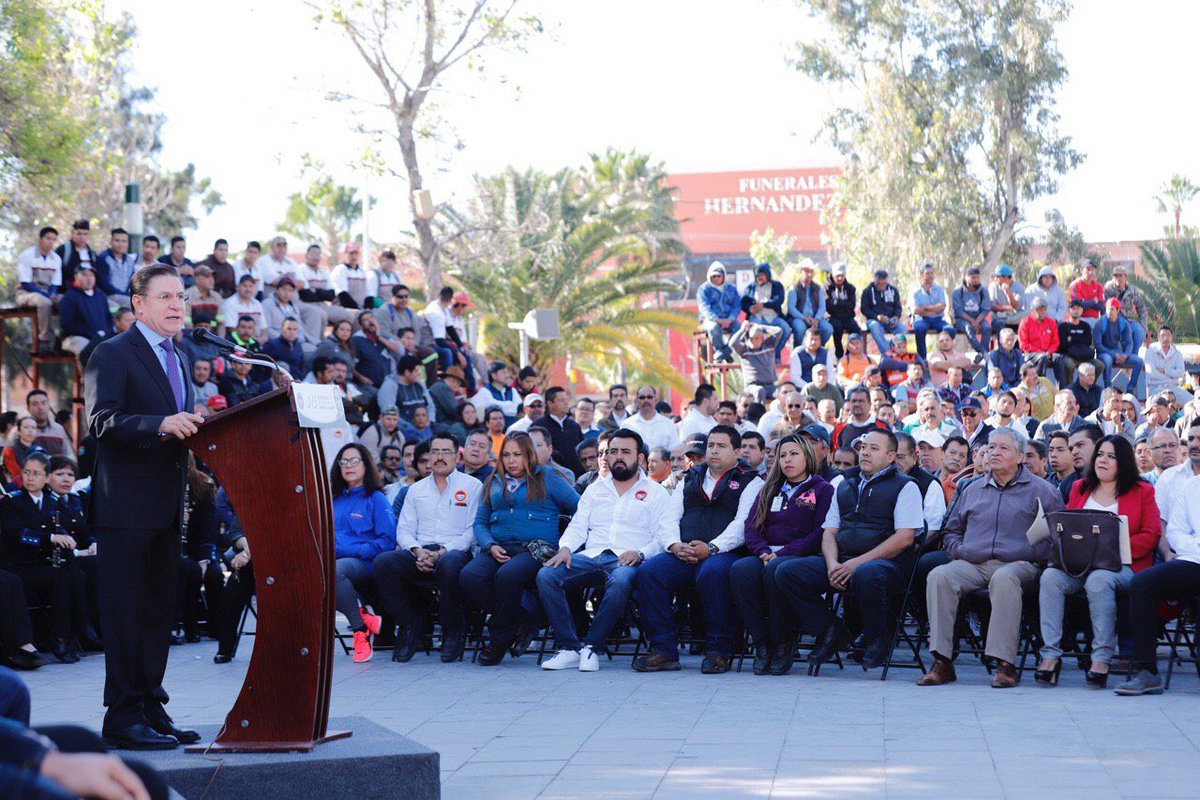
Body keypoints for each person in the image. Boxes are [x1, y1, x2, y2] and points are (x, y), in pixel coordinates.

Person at [83, 264, 203, 750]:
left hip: (168, 508)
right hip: (125, 510)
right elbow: (100, 420)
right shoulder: (111, 353)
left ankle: (152, 706)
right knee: (126, 613)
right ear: (138, 304)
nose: (178, 305)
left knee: (157, 612)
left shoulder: (184, 352)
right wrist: (159, 424)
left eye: (181, 296)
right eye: (166, 297)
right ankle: (123, 717)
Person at [919, 427, 1064, 688]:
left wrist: (1031, 554)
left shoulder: (1042, 490)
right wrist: (960, 551)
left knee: (1005, 578)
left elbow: (1056, 538)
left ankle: (1004, 664)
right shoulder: (973, 489)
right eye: (991, 447)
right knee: (939, 575)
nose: (994, 453)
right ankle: (942, 661)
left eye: (1003, 448)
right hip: (973, 561)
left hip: (1020, 565)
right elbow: (951, 531)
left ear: (1020, 456)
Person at [774, 429, 923, 669]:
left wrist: (856, 563)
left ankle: (877, 638)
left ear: (891, 456)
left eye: (874, 448)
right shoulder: (844, 483)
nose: (865, 452)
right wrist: (832, 563)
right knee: (785, 571)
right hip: (841, 561)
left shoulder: (906, 486)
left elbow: (904, 539)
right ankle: (831, 629)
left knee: (868, 573)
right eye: (863, 447)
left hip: (886, 565)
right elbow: (830, 531)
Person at [537, 429, 674, 671]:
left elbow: (663, 537)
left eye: (625, 452)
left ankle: (592, 647)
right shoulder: (595, 489)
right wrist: (565, 548)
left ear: (640, 458)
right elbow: (578, 525)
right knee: (547, 575)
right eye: (613, 452)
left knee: (621, 581)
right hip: (591, 555)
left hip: (627, 559)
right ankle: (568, 647)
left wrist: (640, 553)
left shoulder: (656, 492)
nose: (618, 456)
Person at [633, 425, 763, 674]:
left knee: (712, 573)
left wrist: (712, 548)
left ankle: (718, 651)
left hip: (725, 553)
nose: (714, 451)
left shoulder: (750, 480)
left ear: (737, 451)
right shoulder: (691, 477)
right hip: (685, 551)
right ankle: (663, 650)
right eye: (711, 445)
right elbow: (669, 518)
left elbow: (742, 525)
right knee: (650, 571)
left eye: (721, 446)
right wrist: (674, 545)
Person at [1035, 435, 1160, 687]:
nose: (1103, 460)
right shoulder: (1080, 487)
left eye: (1111, 456)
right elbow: (1069, 525)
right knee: (1050, 578)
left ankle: (1101, 656)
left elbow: (1151, 534)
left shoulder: (1142, 490)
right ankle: (1050, 654)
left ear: (1123, 462)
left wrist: (1116, 548)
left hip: (1123, 566)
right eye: (1101, 454)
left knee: (1099, 580)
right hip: (1079, 564)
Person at [461, 433, 579, 665]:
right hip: (499, 546)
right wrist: (489, 544)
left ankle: (498, 641)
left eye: (517, 455)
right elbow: (480, 523)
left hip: (535, 549)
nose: (511, 460)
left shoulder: (549, 477)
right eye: (506, 455)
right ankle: (523, 618)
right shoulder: (494, 480)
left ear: (529, 455)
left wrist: (567, 543)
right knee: (469, 576)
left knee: (507, 576)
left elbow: (581, 508)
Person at [730, 435, 834, 674]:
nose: (787, 459)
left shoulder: (823, 489)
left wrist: (784, 553)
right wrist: (763, 551)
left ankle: (781, 642)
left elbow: (820, 532)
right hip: (766, 555)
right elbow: (751, 526)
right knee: (741, 570)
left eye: (794, 454)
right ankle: (761, 643)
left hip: (801, 556)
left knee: (777, 571)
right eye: (783, 455)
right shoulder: (769, 487)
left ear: (808, 456)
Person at [1116, 466, 1200, 695]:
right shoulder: (1191, 486)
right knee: (1142, 583)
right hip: (1194, 560)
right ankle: (1147, 672)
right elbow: (1175, 531)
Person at [0, 452, 81, 664]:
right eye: (26, 472)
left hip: (40, 565)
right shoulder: (12, 502)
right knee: (56, 576)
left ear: (46, 477)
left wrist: (67, 538)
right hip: (17, 565)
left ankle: (63, 639)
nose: (30, 477)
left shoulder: (51, 501)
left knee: (64, 576)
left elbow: (59, 527)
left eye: (36, 473)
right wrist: (52, 537)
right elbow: (17, 535)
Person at [326, 443, 395, 663]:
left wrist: (354, 549)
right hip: (333, 560)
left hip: (363, 563)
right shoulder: (332, 499)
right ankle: (363, 617)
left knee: (335, 572)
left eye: (354, 461)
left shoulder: (375, 498)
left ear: (366, 465)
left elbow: (387, 541)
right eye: (344, 461)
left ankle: (359, 631)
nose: (348, 466)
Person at [16, 226, 62, 353]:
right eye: (48, 238)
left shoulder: (56, 259)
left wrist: (53, 293)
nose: (50, 242)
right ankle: (44, 340)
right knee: (44, 302)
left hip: (47, 293)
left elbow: (56, 283)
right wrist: (47, 294)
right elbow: (25, 283)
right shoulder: (27, 255)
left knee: (66, 300)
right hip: (26, 293)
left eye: (54, 239)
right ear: (40, 239)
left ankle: (63, 337)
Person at [59, 264, 113, 363]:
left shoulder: (100, 295)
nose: (89, 278)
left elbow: (109, 317)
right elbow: (67, 324)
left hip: (100, 336)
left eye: (91, 275)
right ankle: (86, 378)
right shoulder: (68, 297)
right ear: (76, 277)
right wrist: (92, 334)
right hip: (75, 337)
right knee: (90, 353)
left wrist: (105, 333)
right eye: (84, 275)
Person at [1094, 298, 1144, 395]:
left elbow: (1129, 342)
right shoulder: (1100, 323)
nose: (1110, 312)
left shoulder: (1123, 323)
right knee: (1107, 361)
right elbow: (1098, 344)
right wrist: (1114, 354)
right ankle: (1108, 389)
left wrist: (1126, 354)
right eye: (1108, 309)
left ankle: (1130, 388)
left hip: (1119, 352)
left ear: (1117, 310)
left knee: (1138, 361)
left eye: (1112, 309)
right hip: (1104, 353)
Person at [531, 386, 584, 476]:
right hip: (550, 476)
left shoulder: (574, 426)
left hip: (577, 477)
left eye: (566, 399)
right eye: (561, 400)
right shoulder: (538, 427)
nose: (566, 403)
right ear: (550, 403)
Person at [740, 263, 790, 360]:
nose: (760, 278)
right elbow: (743, 303)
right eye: (757, 276)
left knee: (785, 329)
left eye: (762, 275)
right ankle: (756, 356)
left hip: (773, 317)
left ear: (767, 274)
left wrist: (763, 305)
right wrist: (750, 308)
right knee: (751, 332)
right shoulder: (750, 288)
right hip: (756, 318)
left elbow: (779, 300)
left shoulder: (776, 285)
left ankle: (775, 353)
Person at [908, 263, 950, 359]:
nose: (930, 276)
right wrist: (934, 308)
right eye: (927, 273)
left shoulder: (939, 289)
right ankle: (922, 358)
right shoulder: (914, 290)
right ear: (922, 275)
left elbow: (942, 306)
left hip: (937, 319)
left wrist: (925, 308)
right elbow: (915, 310)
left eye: (932, 273)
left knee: (949, 329)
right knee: (919, 328)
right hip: (921, 319)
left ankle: (945, 357)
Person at [786, 259, 833, 346]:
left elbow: (822, 307)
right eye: (807, 271)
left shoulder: (817, 288)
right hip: (798, 318)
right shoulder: (794, 288)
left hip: (815, 318)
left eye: (811, 271)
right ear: (801, 272)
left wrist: (817, 318)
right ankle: (798, 351)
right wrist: (804, 318)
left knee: (828, 329)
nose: (809, 274)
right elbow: (791, 308)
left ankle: (817, 348)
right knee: (800, 328)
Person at [858, 268, 904, 355]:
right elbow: (864, 309)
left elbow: (898, 307)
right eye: (879, 284)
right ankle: (888, 353)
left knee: (902, 328)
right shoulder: (867, 291)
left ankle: (896, 350)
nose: (881, 286)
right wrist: (877, 317)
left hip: (890, 319)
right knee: (875, 327)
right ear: (875, 281)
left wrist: (896, 317)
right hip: (873, 320)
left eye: (884, 284)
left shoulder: (893, 290)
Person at [729, 323, 780, 400]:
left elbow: (779, 331)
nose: (753, 341)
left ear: (762, 339)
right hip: (752, 386)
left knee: (782, 392)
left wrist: (761, 326)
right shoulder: (744, 350)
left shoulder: (769, 345)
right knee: (760, 391)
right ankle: (758, 411)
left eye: (757, 338)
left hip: (770, 385)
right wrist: (742, 330)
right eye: (751, 338)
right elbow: (732, 343)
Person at [619, 385, 679, 452]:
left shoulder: (668, 424)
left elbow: (674, 451)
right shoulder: (627, 425)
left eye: (649, 397)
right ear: (636, 401)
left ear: (656, 400)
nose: (646, 400)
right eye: (642, 397)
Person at [1103, 264, 1148, 352]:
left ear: (1126, 277)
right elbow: (1103, 306)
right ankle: (1119, 358)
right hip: (1114, 321)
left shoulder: (1131, 290)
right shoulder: (1108, 288)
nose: (1118, 278)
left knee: (1140, 332)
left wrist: (1143, 324)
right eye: (1115, 276)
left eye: (1120, 275)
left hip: (1129, 320)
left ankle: (1133, 355)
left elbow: (1141, 307)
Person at [951, 266, 993, 355]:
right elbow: (959, 311)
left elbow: (985, 310)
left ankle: (982, 355)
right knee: (968, 328)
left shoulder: (984, 291)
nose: (976, 280)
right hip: (962, 320)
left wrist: (976, 321)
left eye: (977, 277)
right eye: (973, 277)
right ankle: (983, 352)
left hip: (979, 319)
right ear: (966, 277)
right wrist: (972, 321)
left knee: (987, 328)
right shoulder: (957, 292)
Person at [825, 262, 861, 359]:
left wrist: (837, 302)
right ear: (833, 274)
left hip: (847, 316)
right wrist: (842, 303)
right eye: (838, 276)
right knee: (837, 328)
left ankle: (850, 353)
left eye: (842, 275)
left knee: (856, 330)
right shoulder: (827, 287)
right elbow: (828, 306)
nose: (840, 278)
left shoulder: (850, 288)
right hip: (833, 317)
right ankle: (839, 354)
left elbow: (851, 304)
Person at [1145, 326, 1190, 402]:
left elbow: (1181, 373)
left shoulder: (1177, 353)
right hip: (1156, 389)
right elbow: (1152, 374)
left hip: (1174, 389)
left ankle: (1177, 414)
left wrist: (1165, 371)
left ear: (1171, 337)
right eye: (1163, 335)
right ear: (1158, 337)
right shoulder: (1151, 351)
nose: (1166, 338)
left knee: (1194, 402)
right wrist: (1172, 376)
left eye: (1168, 335)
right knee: (1160, 404)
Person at [988, 263, 1026, 331]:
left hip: (1014, 318)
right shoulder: (993, 286)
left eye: (997, 276)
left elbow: (1016, 306)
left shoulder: (1019, 287)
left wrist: (1009, 293)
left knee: (1026, 316)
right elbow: (992, 306)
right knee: (1000, 324)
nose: (995, 278)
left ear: (1005, 277)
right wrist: (1009, 308)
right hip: (999, 317)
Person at [1069, 259, 1105, 329]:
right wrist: (1094, 301)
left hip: (1095, 320)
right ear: (1081, 270)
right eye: (1088, 269)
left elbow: (1101, 306)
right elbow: (1079, 306)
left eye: (1093, 270)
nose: (1091, 272)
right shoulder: (1075, 285)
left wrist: (1085, 301)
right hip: (1080, 319)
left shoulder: (1098, 286)